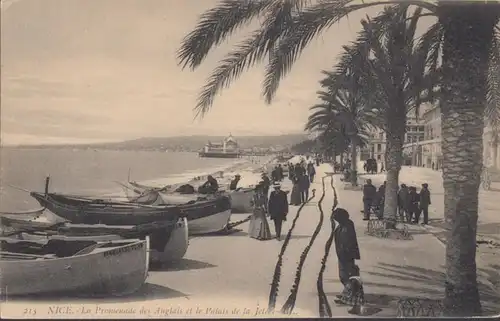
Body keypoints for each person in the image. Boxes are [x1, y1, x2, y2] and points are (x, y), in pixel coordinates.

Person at [332, 208, 361, 306]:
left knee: (345, 276)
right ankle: (347, 294)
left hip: (346, 256)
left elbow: (346, 243)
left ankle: (348, 296)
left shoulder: (346, 227)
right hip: (344, 255)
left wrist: (344, 253)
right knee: (345, 276)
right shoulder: (346, 224)